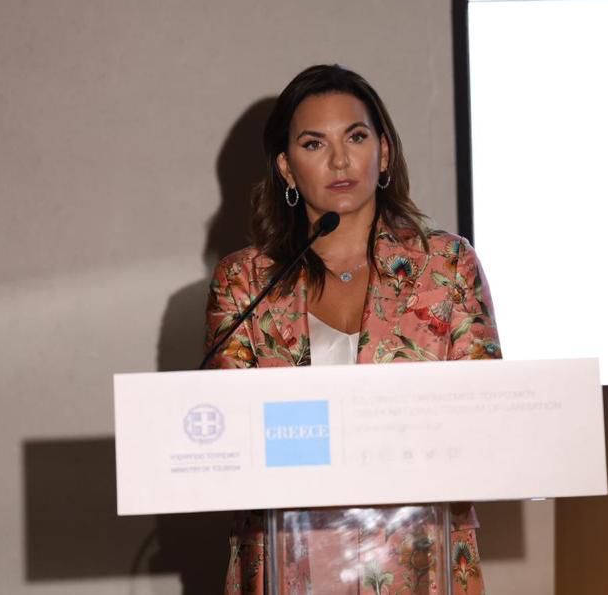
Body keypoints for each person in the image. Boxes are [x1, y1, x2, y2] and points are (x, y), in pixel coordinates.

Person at [205, 64, 502, 594]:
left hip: (419, 560)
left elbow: (485, 421)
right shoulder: (244, 280)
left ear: (383, 153)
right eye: (314, 144)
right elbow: (228, 433)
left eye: (356, 137)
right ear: (286, 168)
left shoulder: (446, 265)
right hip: (287, 559)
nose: (340, 160)